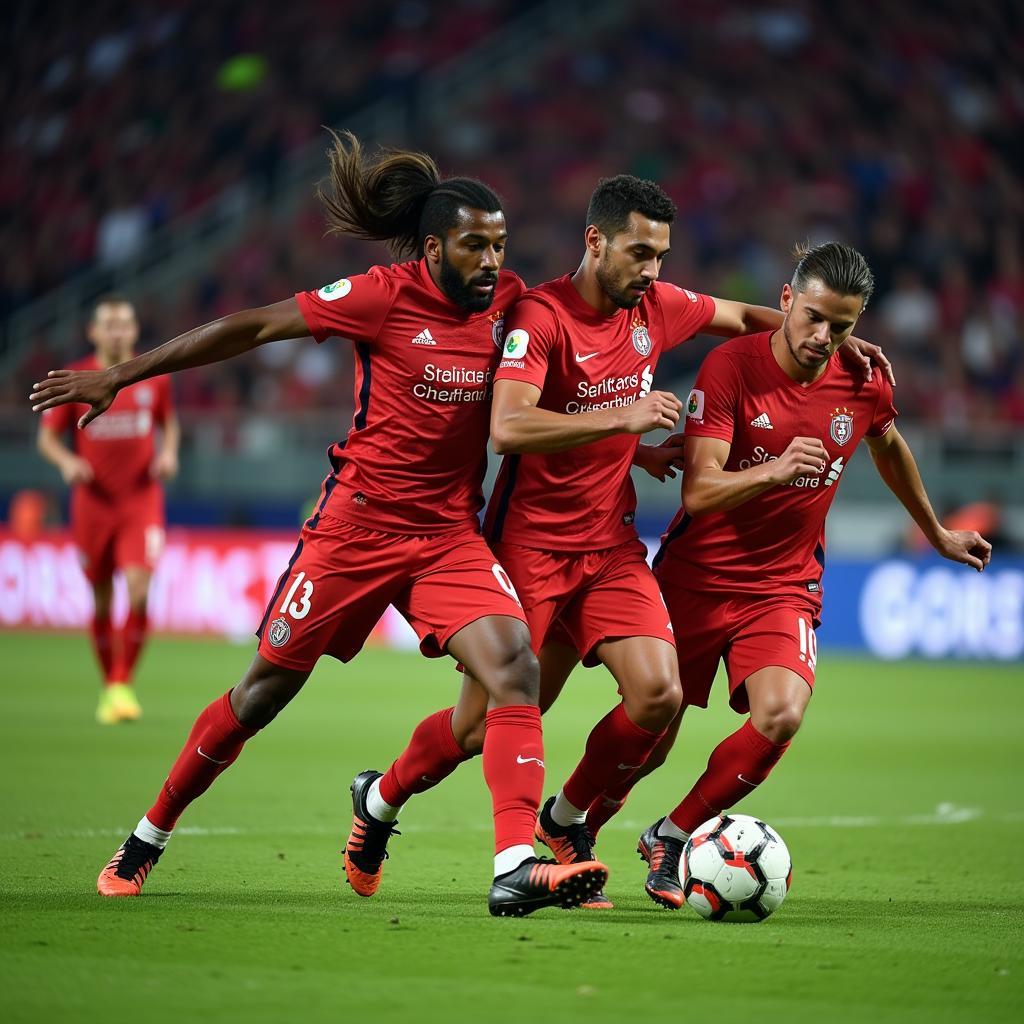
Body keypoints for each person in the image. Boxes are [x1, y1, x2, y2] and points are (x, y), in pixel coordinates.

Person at [30, 131, 608, 918]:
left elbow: (572, 370)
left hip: (446, 536)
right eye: (474, 245)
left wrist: (629, 441)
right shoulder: (382, 294)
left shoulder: (513, 305)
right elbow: (256, 326)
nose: (490, 262)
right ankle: (146, 836)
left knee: (514, 668)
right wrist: (123, 374)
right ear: (433, 245)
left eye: (500, 246)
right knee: (262, 694)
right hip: (355, 530)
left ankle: (513, 862)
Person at [347, 177, 892, 910]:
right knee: (478, 725)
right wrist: (629, 423)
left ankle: (564, 831)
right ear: (595, 240)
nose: (655, 272)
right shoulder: (539, 316)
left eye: (662, 256)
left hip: (608, 546)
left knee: (659, 693)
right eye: (641, 253)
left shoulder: (656, 308)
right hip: (531, 550)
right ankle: (380, 799)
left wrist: (834, 340)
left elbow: (736, 314)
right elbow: (512, 427)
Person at [599, 241, 989, 909]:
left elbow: (887, 443)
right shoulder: (730, 367)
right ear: (786, 299)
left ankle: (673, 834)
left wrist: (936, 532)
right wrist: (775, 469)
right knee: (654, 733)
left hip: (784, 585)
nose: (822, 337)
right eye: (812, 318)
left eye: (842, 326)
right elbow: (699, 493)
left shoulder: (864, 380)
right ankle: (574, 823)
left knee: (780, 715)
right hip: (697, 577)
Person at [37, 296, 179, 724]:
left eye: (124, 324)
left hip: (140, 500)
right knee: (101, 602)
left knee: (137, 590)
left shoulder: (152, 377)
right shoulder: (76, 380)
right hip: (92, 504)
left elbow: (169, 422)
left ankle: (121, 684)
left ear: (135, 332)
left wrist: (169, 453)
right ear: (94, 332)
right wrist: (67, 462)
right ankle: (110, 686)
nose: (118, 331)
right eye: (109, 325)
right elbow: (47, 438)